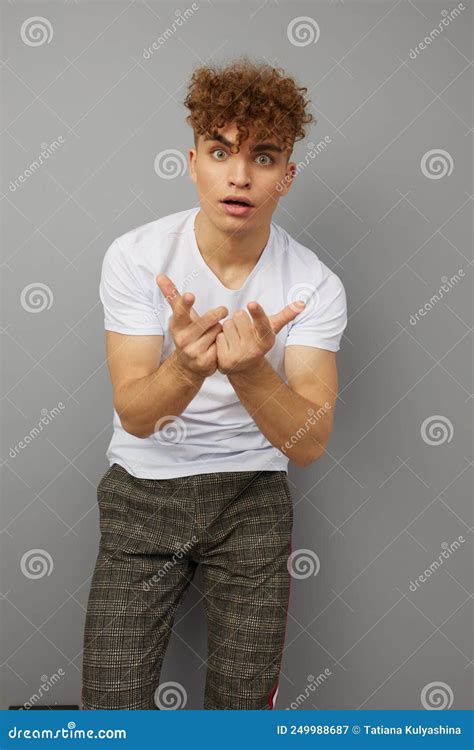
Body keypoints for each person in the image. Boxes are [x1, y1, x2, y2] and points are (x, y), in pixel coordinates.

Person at [81, 56, 347, 710]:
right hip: (142, 493)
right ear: (192, 160)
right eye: (221, 151)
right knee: (111, 715)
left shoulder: (315, 284)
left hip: (251, 502)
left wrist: (251, 371)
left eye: (262, 156)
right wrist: (186, 368)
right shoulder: (138, 258)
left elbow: (309, 442)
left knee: (240, 718)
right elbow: (137, 413)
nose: (238, 175)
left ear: (286, 175)